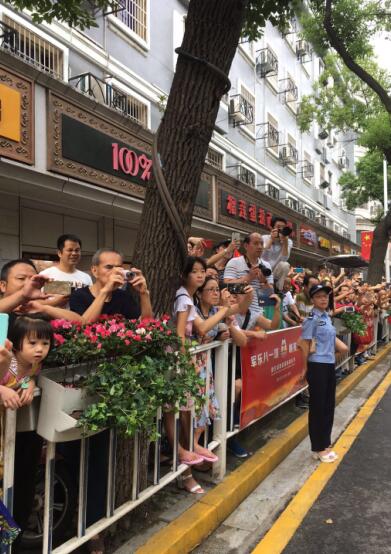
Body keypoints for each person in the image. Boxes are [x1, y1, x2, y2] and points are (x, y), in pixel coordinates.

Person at [1, 314, 54, 551]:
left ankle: (10, 539)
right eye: (32, 343)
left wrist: (30, 383)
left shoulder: (34, 364)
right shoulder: (7, 360)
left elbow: (31, 375)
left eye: (45, 343)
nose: (39, 349)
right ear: (15, 341)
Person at [299, 284, 348, 463]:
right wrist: (304, 368)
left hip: (328, 365)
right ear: (312, 299)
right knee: (318, 408)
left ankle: (325, 444)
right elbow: (304, 343)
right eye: (319, 296)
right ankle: (318, 447)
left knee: (328, 406)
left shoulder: (326, 316)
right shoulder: (311, 318)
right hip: (317, 366)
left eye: (325, 296)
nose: (323, 299)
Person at [69, 248, 152, 323]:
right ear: (94, 271)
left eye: (119, 267)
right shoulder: (79, 295)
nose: (115, 271)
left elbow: (146, 325)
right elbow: (83, 325)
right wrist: (105, 291)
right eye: (109, 267)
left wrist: (144, 293)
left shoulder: (123, 296)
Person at [0, 259, 82, 322]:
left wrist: (44, 308)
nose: (29, 283)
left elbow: (81, 322)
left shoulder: (36, 310)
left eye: (32, 279)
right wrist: (23, 295)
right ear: (3, 286)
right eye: (21, 278)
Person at [224, 233, 273, 316]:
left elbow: (268, 298)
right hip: (238, 313)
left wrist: (264, 282)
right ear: (246, 246)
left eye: (261, 243)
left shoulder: (266, 266)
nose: (260, 247)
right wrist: (248, 278)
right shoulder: (234, 262)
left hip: (259, 313)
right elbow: (226, 287)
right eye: (256, 243)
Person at [39, 234, 92, 307]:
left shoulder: (86, 278)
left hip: (79, 317)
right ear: (59, 253)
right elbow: (35, 303)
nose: (74, 253)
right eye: (70, 250)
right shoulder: (45, 275)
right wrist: (54, 302)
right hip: (51, 318)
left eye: (77, 250)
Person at [261, 216, 292, 291]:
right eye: (278, 227)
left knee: (285, 265)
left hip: (275, 273)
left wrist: (285, 242)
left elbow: (284, 259)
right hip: (262, 271)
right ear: (272, 228)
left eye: (283, 227)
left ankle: (278, 289)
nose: (281, 230)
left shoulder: (288, 241)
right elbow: (261, 255)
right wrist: (271, 239)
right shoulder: (264, 238)